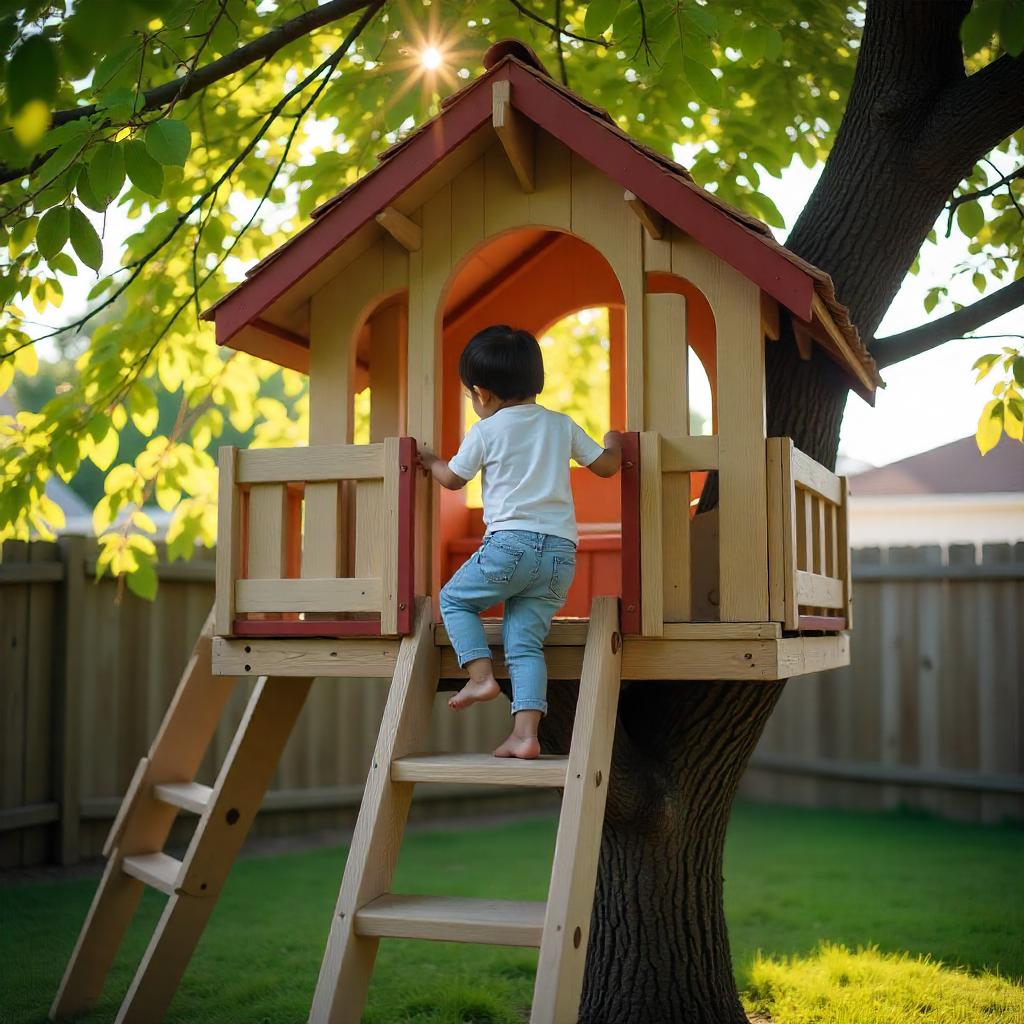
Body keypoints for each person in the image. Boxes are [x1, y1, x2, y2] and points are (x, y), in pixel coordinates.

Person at [418, 324, 622, 759]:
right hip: (561, 556)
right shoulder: (559, 425)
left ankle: (479, 676)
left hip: (510, 546)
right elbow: (606, 467)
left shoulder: (487, 432)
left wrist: (431, 460)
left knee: (454, 600)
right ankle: (525, 735)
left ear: (482, 393)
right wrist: (614, 443)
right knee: (526, 643)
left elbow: (454, 480)